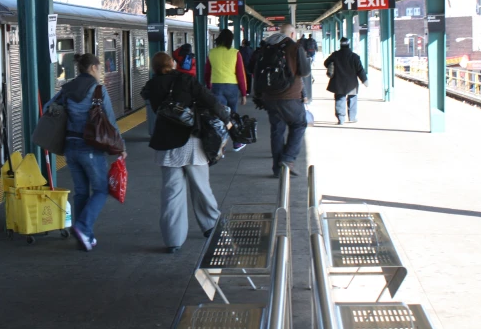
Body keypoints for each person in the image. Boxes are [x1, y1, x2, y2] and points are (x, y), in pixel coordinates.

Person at [142, 52, 232, 254]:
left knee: (172, 193)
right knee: (201, 188)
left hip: (166, 145)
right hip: (191, 142)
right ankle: (211, 226)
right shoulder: (186, 80)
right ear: (172, 63)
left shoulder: (152, 86)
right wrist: (227, 120)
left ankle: (173, 239)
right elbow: (211, 101)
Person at [44, 53, 125, 252]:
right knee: (101, 189)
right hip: (90, 147)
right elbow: (110, 122)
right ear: (93, 68)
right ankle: (83, 226)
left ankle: (85, 235)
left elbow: (47, 107)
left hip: (70, 148)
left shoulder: (67, 89)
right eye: (99, 68)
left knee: (81, 191)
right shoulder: (98, 90)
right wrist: (121, 147)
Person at [253, 24, 311, 177]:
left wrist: (258, 95)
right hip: (289, 96)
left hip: (269, 97)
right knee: (299, 124)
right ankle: (288, 159)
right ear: (292, 34)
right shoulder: (294, 47)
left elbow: (253, 69)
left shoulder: (266, 46)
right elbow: (305, 72)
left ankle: (277, 169)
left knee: (277, 131)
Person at [324, 37, 368, 125]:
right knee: (352, 99)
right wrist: (364, 80)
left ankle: (341, 119)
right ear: (349, 44)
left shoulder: (335, 55)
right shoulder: (354, 56)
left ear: (340, 44)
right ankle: (352, 117)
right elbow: (360, 70)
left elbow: (326, 63)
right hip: (351, 83)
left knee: (340, 99)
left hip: (338, 81)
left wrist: (332, 65)